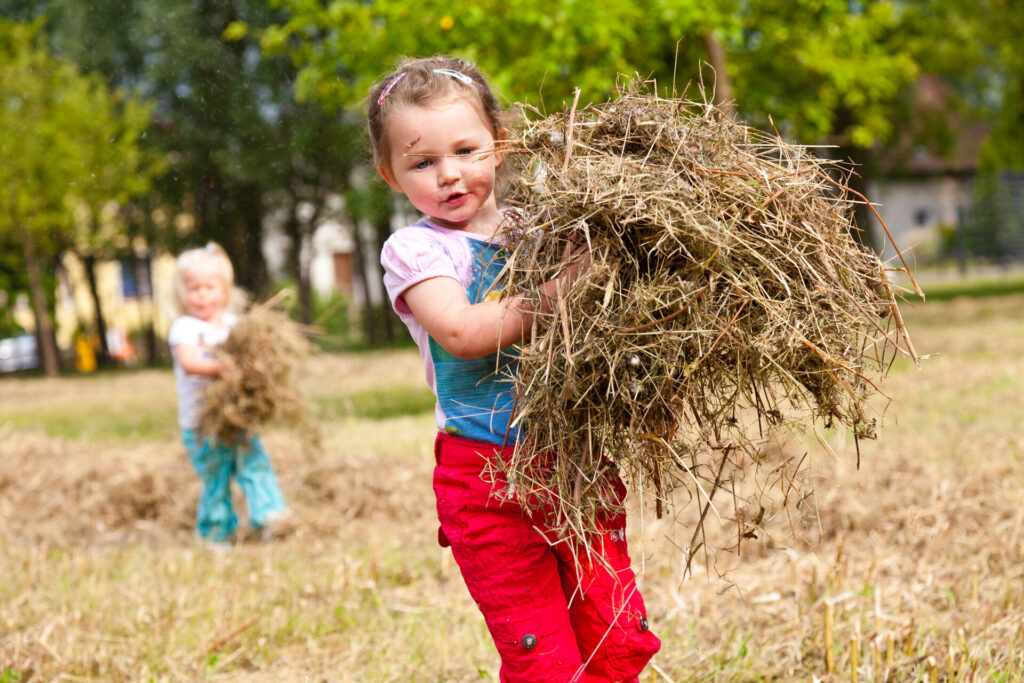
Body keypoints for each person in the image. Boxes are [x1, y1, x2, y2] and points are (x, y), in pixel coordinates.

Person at [371, 56, 661, 682]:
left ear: (499, 146)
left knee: (618, 639)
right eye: (422, 163)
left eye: (466, 150)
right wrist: (561, 291)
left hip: (576, 464)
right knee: (544, 661)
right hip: (487, 483)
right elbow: (462, 330)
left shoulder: (545, 229)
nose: (449, 174)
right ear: (389, 174)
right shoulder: (418, 250)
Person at [168, 243, 289, 547]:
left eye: (209, 287)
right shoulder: (185, 327)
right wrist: (221, 367)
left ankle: (270, 519)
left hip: (237, 416)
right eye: (193, 288)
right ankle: (215, 534)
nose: (202, 295)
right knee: (215, 477)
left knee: (254, 464)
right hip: (202, 423)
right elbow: (190, 362)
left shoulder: (234, 325)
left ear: (223, 290)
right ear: (181, 293)